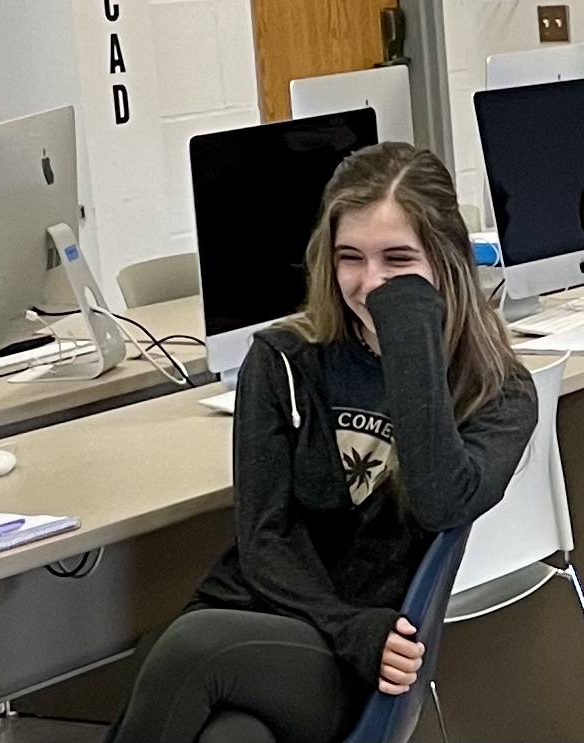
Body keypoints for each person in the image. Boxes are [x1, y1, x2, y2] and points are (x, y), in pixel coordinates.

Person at [110, 143, 535, 743]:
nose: (370, 283)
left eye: (398, 259)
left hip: (366, 663)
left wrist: (408, 324)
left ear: (447, 261)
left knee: (189, 648)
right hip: (287, 619)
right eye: (350, 258)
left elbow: (442, 500)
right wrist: (346, 624)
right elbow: (264, 540)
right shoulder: (285, 359)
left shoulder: (495, 390)